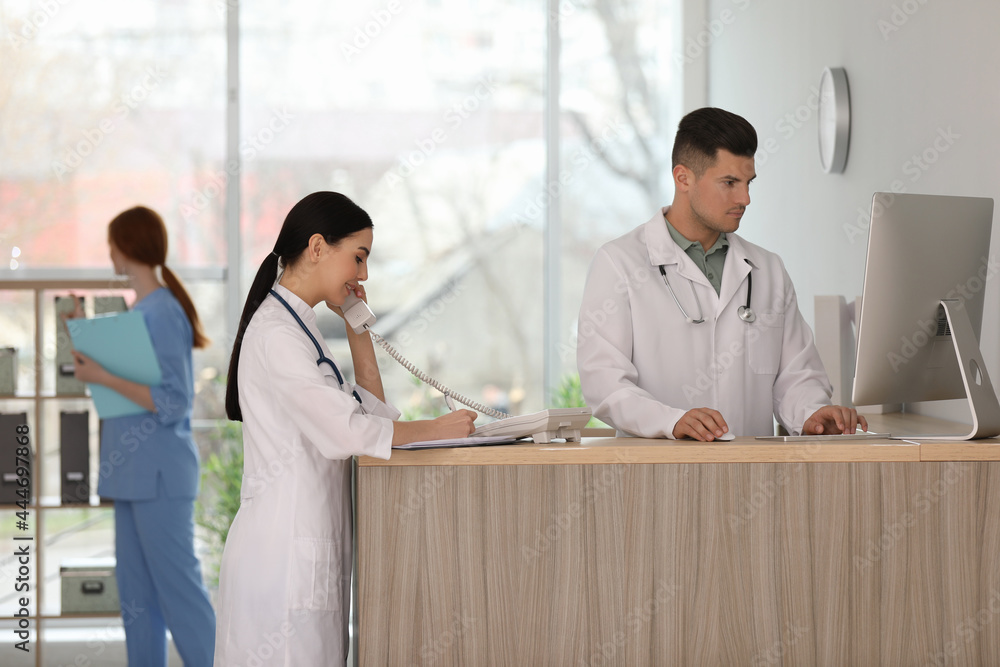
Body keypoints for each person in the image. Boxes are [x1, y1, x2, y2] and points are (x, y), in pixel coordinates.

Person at [214, 191, 476, 665]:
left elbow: (367, 413)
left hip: (304, 553)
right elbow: (346, 432)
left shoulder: (302, 328)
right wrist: (437, 427)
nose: (364, 274)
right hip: (282, 562)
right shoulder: (276, 334)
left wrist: (358, 329)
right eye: (358, 257)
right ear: (318, 247)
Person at [577, 107, 867, 440]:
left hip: (750, 475)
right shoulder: (619, 263)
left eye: (748, 183)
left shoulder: (768, 269)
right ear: (683, 178)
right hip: (656, 479)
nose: (744, 198)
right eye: (729, 183)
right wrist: (671, 421)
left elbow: (797, 376)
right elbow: (605, 384)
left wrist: (813, 415)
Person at [69, 206, 216, 665]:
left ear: (127, 247)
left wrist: (104, 374)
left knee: (178, 593)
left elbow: (174, 402)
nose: (109, 252)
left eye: (112, 243)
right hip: (130, 474)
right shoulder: (141, 313)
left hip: (158, 478)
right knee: (137, 600)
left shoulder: (164, 312)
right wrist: (93, 357)